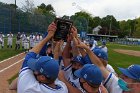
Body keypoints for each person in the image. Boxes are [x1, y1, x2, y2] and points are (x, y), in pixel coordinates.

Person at [17, 22, 68, 93]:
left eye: (36, 70)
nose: (34, 71)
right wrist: (57, 48)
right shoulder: (63, 88)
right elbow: (55, 66)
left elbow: (30, 55)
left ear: (42, 77)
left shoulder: (28, 88)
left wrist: (48, 35)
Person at [76, 40, 140, 93]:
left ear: (138, 86)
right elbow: (99, 65)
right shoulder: (117, 85)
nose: (121, 76)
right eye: (123, 74)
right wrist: (87, 49)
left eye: (126, 77)